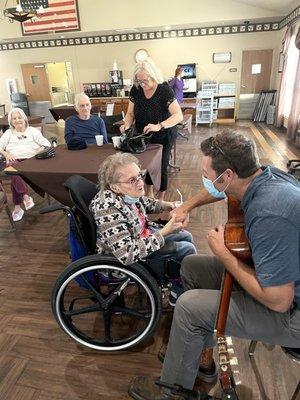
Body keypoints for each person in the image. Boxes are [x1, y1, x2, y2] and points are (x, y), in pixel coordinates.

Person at [128, 130, 300, 400]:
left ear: (228, 174)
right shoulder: (263, 176)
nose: (205, 179)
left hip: (291, 312)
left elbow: (278, 300)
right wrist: (188, 205)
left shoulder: (270, 214)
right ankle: (201, 359)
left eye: (207, 175)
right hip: (279, 281)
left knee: (189, 306)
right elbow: (223, 192)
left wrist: (224, 254)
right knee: (191, 266)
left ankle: (172, 393)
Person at [90, 152, 196, 297]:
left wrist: (170, 205)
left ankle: (179, 281)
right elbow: (127, 254)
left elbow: (144, 202)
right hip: (126, 260)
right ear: (114, 187)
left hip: (142, 235)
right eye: (132, 180)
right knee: (187, 249)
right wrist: (164, 232)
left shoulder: (124, 194)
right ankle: (179, 293)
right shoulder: (107, 209)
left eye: (139, 176)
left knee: (186, 236)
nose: (140, 183)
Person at [120, 58, 183, 201]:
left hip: (164, 133)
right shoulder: (136, 89)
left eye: (145, 81)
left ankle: (161, 196)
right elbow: (130, 113)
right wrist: (127, 124)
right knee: (146, 163)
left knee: (161, 165)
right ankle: (149, 192)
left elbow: (178, 115)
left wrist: (158, 126)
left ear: (153, 75)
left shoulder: (164, 90)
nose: (142, 84)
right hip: (145, 133)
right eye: (139, 81)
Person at [0, 108, 51, 222]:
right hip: (14, 159)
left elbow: (46, 143)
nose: (17, 120)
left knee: (13, 173)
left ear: (24, 118)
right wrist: (6, 153)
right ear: (11, 121)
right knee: (13, 168)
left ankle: (18, 207)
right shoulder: (8, 133)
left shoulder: (33, 131)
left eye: (19, 117)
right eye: (14, 118)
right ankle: (26, 197)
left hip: (31, 160)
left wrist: (39, 151)